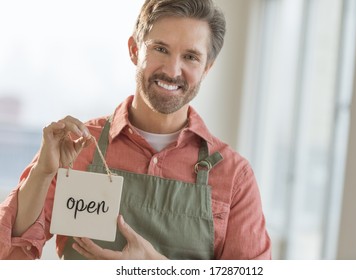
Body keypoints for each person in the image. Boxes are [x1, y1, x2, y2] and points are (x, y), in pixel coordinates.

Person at [0, 0, 271, 260]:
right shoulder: (76, 146)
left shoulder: (235, 178)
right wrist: (42, 173)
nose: (172, 70)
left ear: (207, 68)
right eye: (160, 49)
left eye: (190, 56)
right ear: (134, 49)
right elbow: (9, 255)